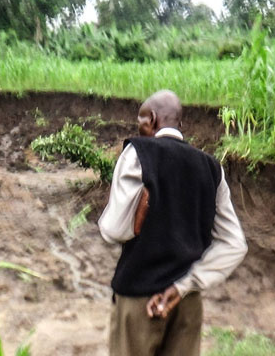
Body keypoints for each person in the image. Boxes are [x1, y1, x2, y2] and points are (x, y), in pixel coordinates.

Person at [98, 90, 247, 356]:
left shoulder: (138, 153)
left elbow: (114, 231)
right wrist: (184, 285)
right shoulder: (212, 167)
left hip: (138, 296)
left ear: (152, 119)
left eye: (141, 121)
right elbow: (234, 244)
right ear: (181, 124)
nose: (139, 128)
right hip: (185, 302)